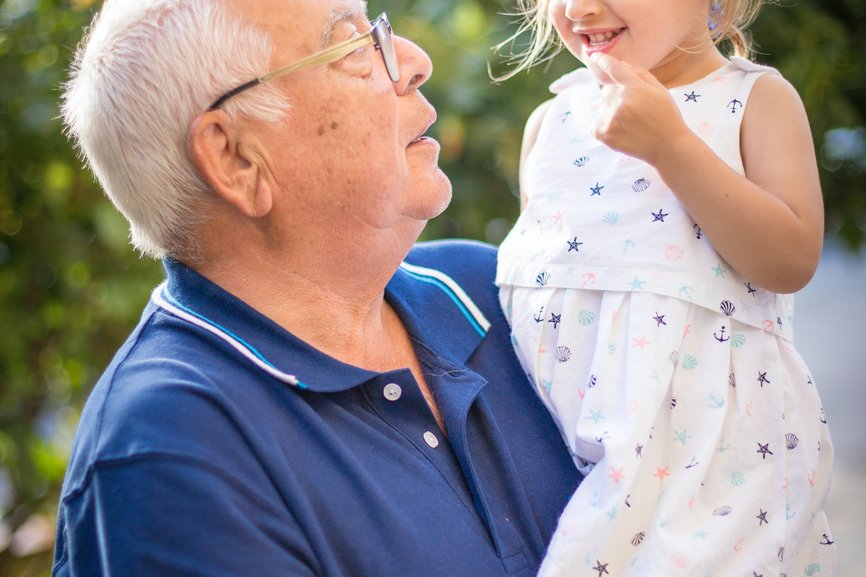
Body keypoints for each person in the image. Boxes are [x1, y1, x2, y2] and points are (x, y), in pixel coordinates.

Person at [52, 1, 581, 575]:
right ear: (235, 159)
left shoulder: (495, 290)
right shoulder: (169, 448)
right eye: (353, 47)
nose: (413, 60)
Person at [494, 0, 838, 575]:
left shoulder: (754, 101)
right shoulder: (551, 123)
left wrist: (671, 146)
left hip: (711, 474)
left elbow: (790, 260)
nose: (579, 7)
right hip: (561, 464)